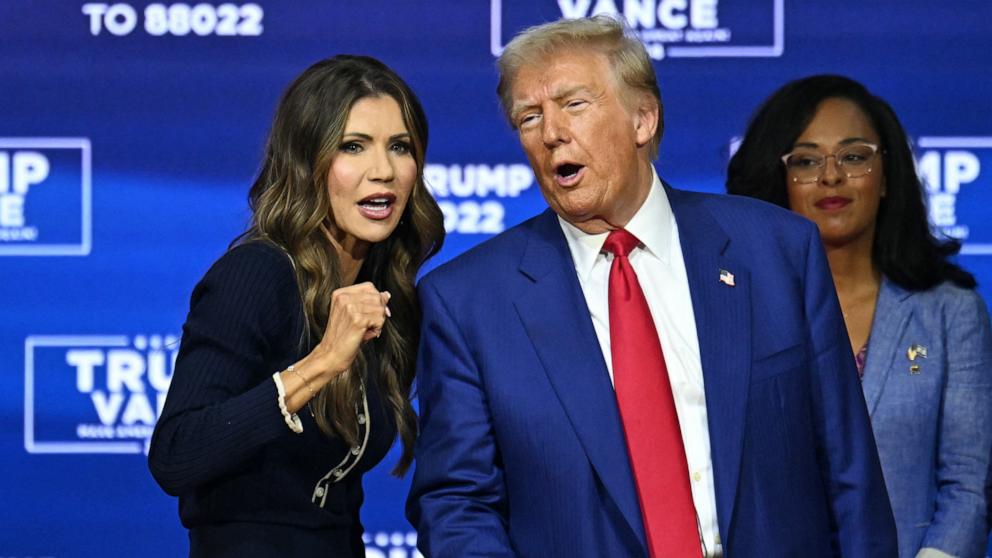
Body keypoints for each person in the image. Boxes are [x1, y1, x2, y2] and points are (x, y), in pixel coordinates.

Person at [407, 16, 897, 558]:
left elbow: (849, 473)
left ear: (643, 119)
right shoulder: (469, 301)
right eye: (529, 117)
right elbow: (456, 504)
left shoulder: (777, 252)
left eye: (574, 105)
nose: (550, 133)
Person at [148, 55, 444, 557]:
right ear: (308, 162)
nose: (384, 171)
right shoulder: (258, 274)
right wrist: (323, 363)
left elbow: (336, 503)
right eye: (354, 147)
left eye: (400, 147)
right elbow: (176, 455)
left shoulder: (386, 294)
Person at [727, 74, 992, 558]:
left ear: (887, 175)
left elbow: (968, 487)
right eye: (806, 160)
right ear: (779, 180)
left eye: (853, 156)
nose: (832, 176)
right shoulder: (735, 313)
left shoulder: (951, 313)